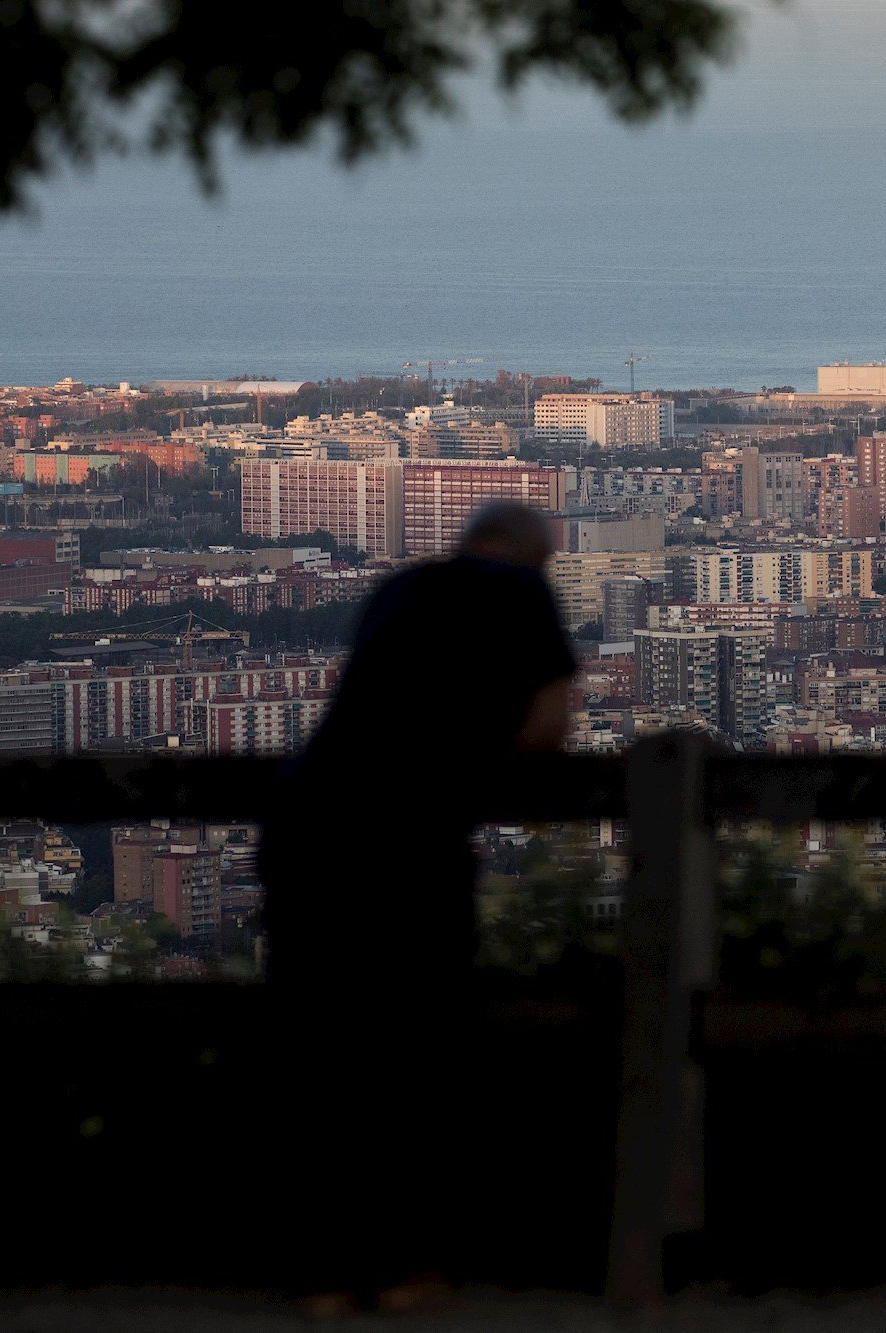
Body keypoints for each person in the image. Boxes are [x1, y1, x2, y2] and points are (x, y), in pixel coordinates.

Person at [260, 500, 576, 1311]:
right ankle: (409, 1266)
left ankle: (320, 1270)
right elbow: (547, 731)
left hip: (306, 828)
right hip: (407, 840)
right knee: (416, 1046)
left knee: (320, 1049)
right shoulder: (521, 593)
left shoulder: (399, 589)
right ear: (534, 555)